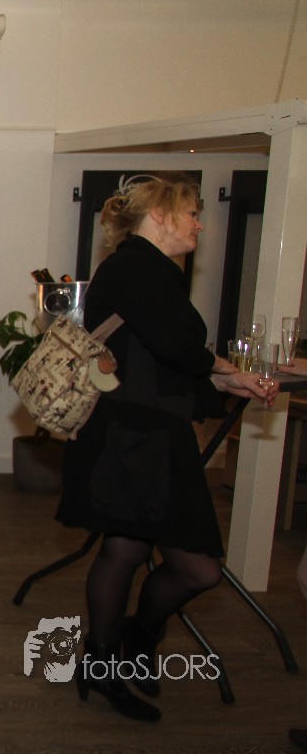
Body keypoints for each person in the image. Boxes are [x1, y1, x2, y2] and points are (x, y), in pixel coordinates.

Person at [54, 173, 276, 723]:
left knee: (134, 552)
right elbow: (180, 344)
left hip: (145, 433)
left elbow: (162, 361)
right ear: (158, 216)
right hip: (134, 439)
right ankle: (116, 653)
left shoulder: (148, 270)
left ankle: (122, 650)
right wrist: (226, 370)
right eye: (192, 213)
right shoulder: (135, 268)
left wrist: (227, 378)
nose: (200, 225)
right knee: (185, 564)